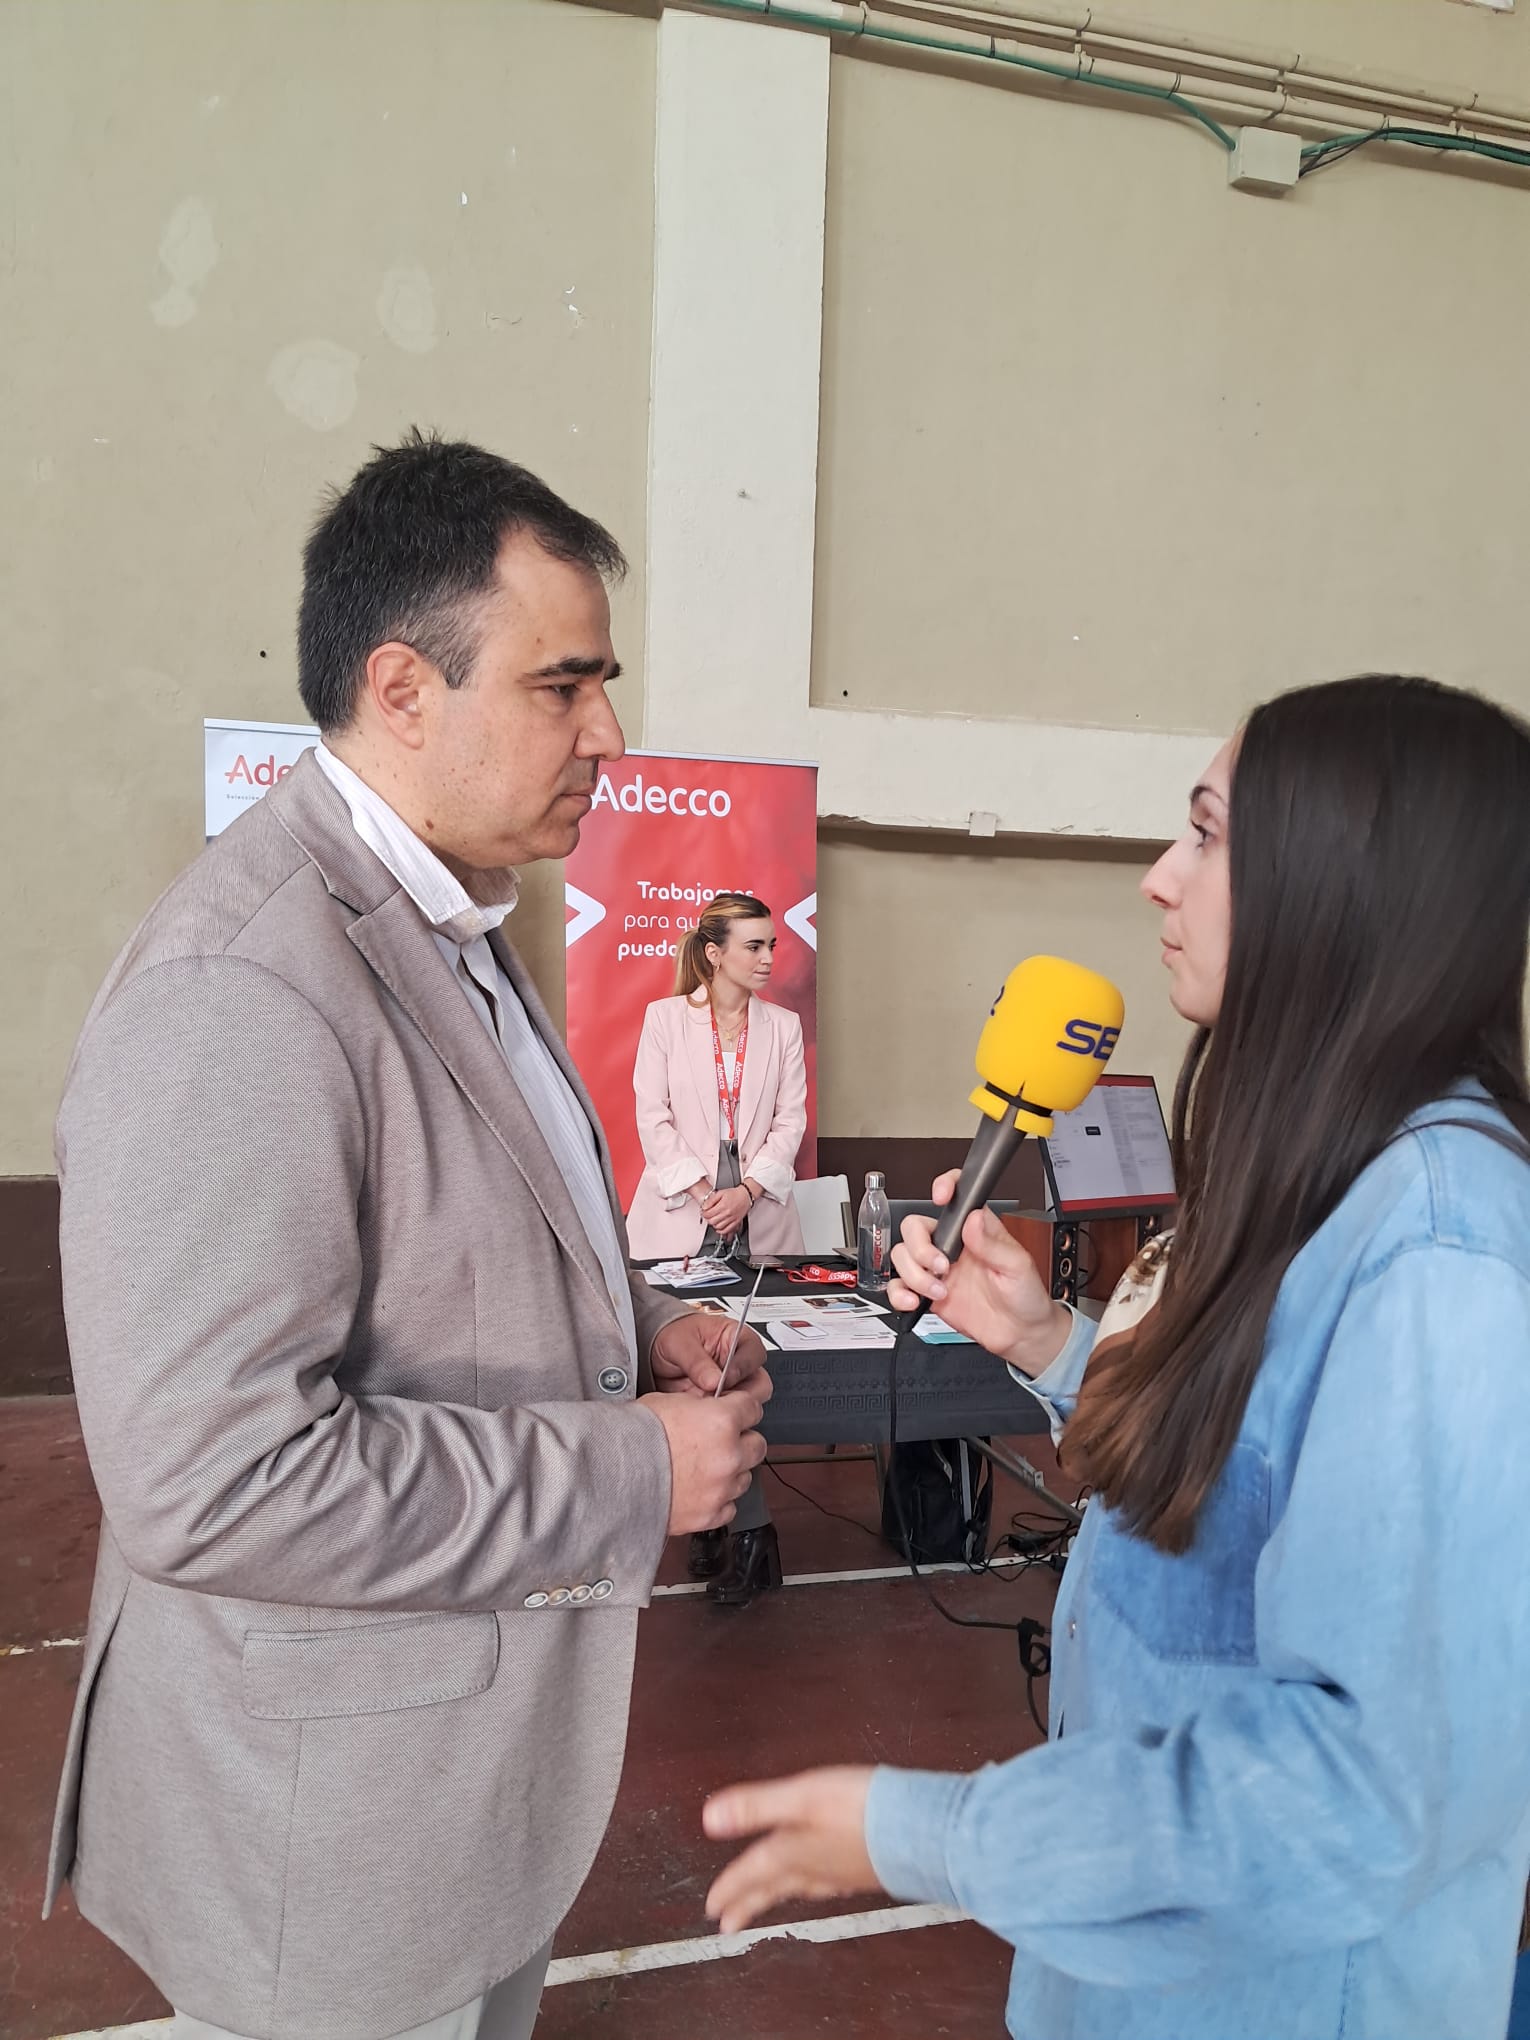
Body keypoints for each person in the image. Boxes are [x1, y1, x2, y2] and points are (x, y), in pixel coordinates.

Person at [45, 430, 773, 2040]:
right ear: (401, 688)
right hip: (336, 1839)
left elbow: (433, 1229)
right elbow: (218, 1480)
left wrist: (631, 1322)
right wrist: (635, 1465)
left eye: (605, 683)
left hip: (452, 1798)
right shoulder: (238, 989)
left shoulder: (444, 915)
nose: (609, 734)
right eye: (560, 686)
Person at [701, 674, 1530, 2040]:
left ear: (1342, 886)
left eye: (1203, 835)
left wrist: (930, 1832)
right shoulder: (1333, 1166)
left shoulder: (1441, 1255)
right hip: (1146, 1972)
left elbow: (1360, 1792)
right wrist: (1045, 1342)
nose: (1156, 880)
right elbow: (1270, 1473)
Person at [627, 893, 808, 1606]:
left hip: (757, 1223)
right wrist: (706, 1191)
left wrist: (749, 1192)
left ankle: (753, 1536)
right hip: (680, 1215)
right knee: (694, 1367)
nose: (769, 959)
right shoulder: (666, 1020)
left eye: (771, 946)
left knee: (743, 1360)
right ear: (714, 953)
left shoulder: (783, 1027)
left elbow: (790, 1120)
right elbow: (652, 1115)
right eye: (755, 946)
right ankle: (715, 1523)